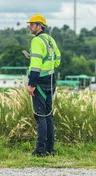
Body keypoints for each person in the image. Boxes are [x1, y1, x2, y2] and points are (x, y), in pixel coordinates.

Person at [26, 14, 61, 157]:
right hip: (51, 81)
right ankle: (50, 149)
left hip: (39, 82)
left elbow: (35, 66)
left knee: (40, 116)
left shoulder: (36, 41)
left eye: (32, 24)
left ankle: (40, 151)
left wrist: (32, 83)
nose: (30, 26)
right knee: (48, 116)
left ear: (40, 26)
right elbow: (57, 60)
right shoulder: (50, 40)